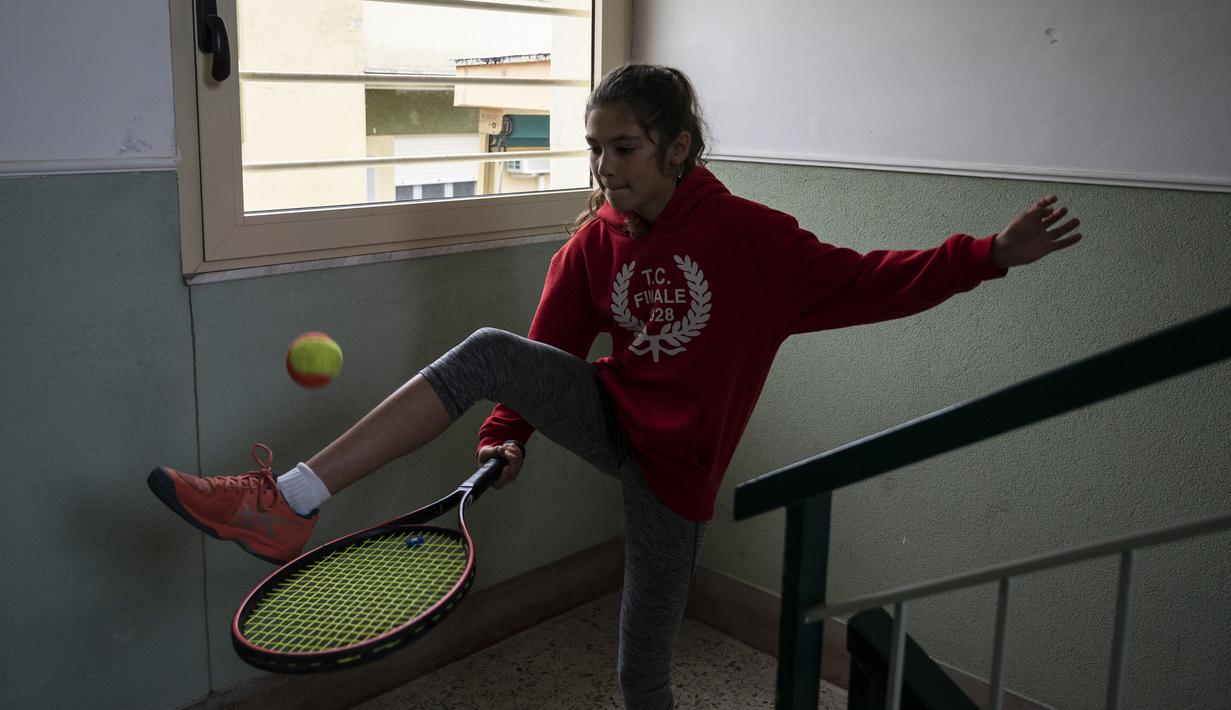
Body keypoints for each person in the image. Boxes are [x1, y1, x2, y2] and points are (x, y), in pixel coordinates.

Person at [148, 64, 1082, 709]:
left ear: (677, 147)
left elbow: (873, 278)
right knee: (484, 347)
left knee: (642, 679)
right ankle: (288, 503)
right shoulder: (594, 239)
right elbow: (542, 345)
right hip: (612, 413)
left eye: (623, 149)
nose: (603, 169)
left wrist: (988, 255)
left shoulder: (752, 240)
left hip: (675, 477)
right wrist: (505, 432)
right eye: (595, 148)